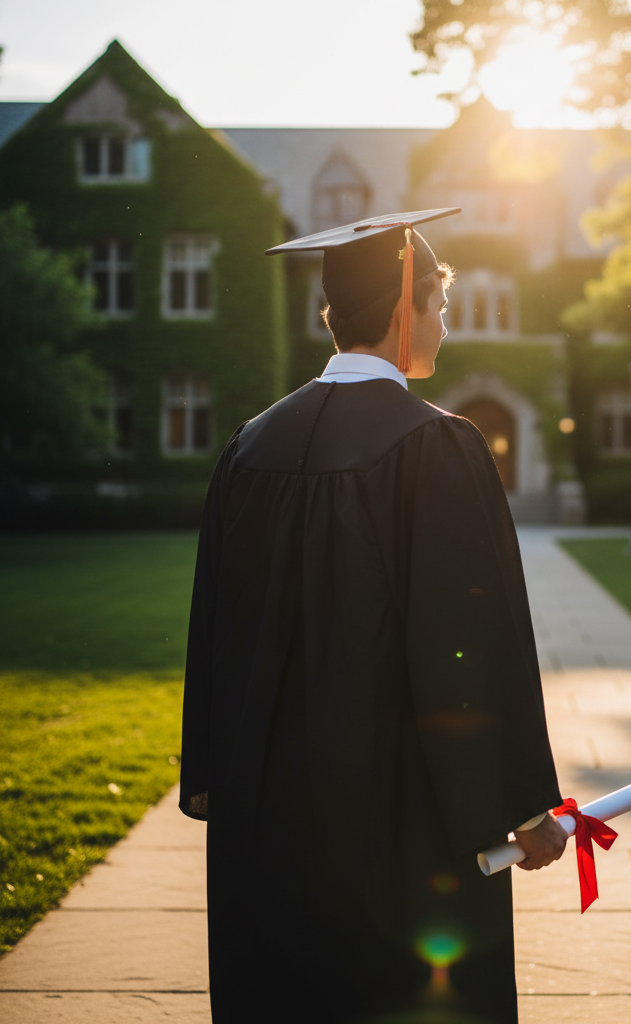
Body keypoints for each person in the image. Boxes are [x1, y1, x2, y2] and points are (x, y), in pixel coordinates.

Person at [179, 209, 567, 1024]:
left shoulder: (249, 447)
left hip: (265, 825)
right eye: (442, 305)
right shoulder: (440, 448)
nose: (447, 325)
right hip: (398, 825)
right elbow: (470, 648)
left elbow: (213, 633)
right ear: (405, 304)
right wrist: (526, 809)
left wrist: (216, 776)